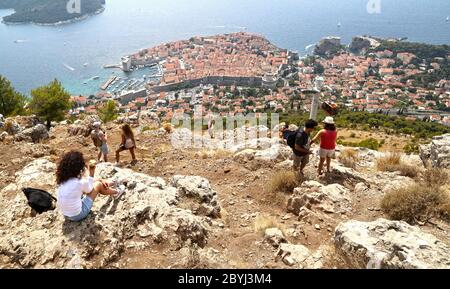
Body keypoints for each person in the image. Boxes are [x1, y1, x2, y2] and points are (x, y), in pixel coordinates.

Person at [56, 151, 125, 222]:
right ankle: (116, 192)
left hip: (66, 214)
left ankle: (112, 182)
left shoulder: (64, 179)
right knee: (98, 185)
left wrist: (100, 179)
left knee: (96, 183)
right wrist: (91, 173)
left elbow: (86, 183)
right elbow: (89, 189)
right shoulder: (79, 182)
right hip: (77, 215)